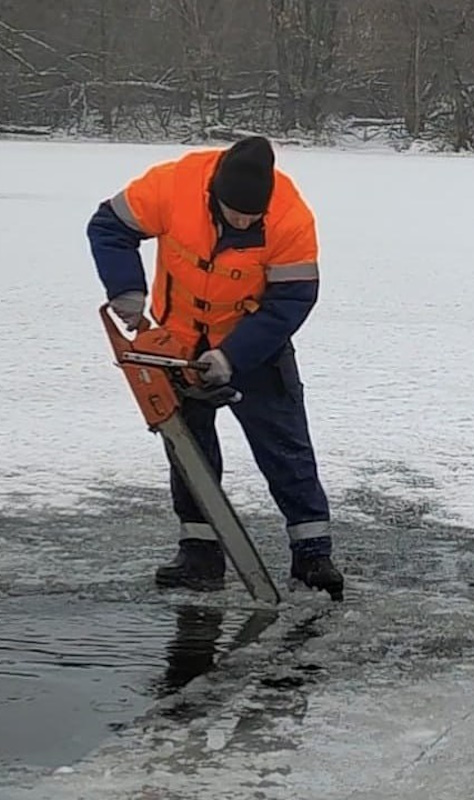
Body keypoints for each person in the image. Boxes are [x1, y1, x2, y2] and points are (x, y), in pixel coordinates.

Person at [86, 135, 344, 601]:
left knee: (285, 448)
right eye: (235, 214)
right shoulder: (173, 185)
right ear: (214, 195)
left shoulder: (291, 219)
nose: (244, 222)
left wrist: (233, 355)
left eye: (252, 218)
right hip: (178, 343)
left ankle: (312, 557)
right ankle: (200, 554)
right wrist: (125, 288)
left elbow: (292, 299)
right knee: (189, 451)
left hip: (256, 345)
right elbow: (107, 226)